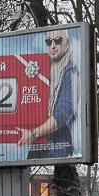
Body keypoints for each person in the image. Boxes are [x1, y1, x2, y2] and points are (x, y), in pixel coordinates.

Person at [17, 29, 78, 160]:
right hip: (40, 143)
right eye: (49, 42)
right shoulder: (44, 67)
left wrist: (33, 134)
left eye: (58, 40)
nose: (53, 46)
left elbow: (63, 113)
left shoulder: (72, 70)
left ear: (67, 42)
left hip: (60, 146)